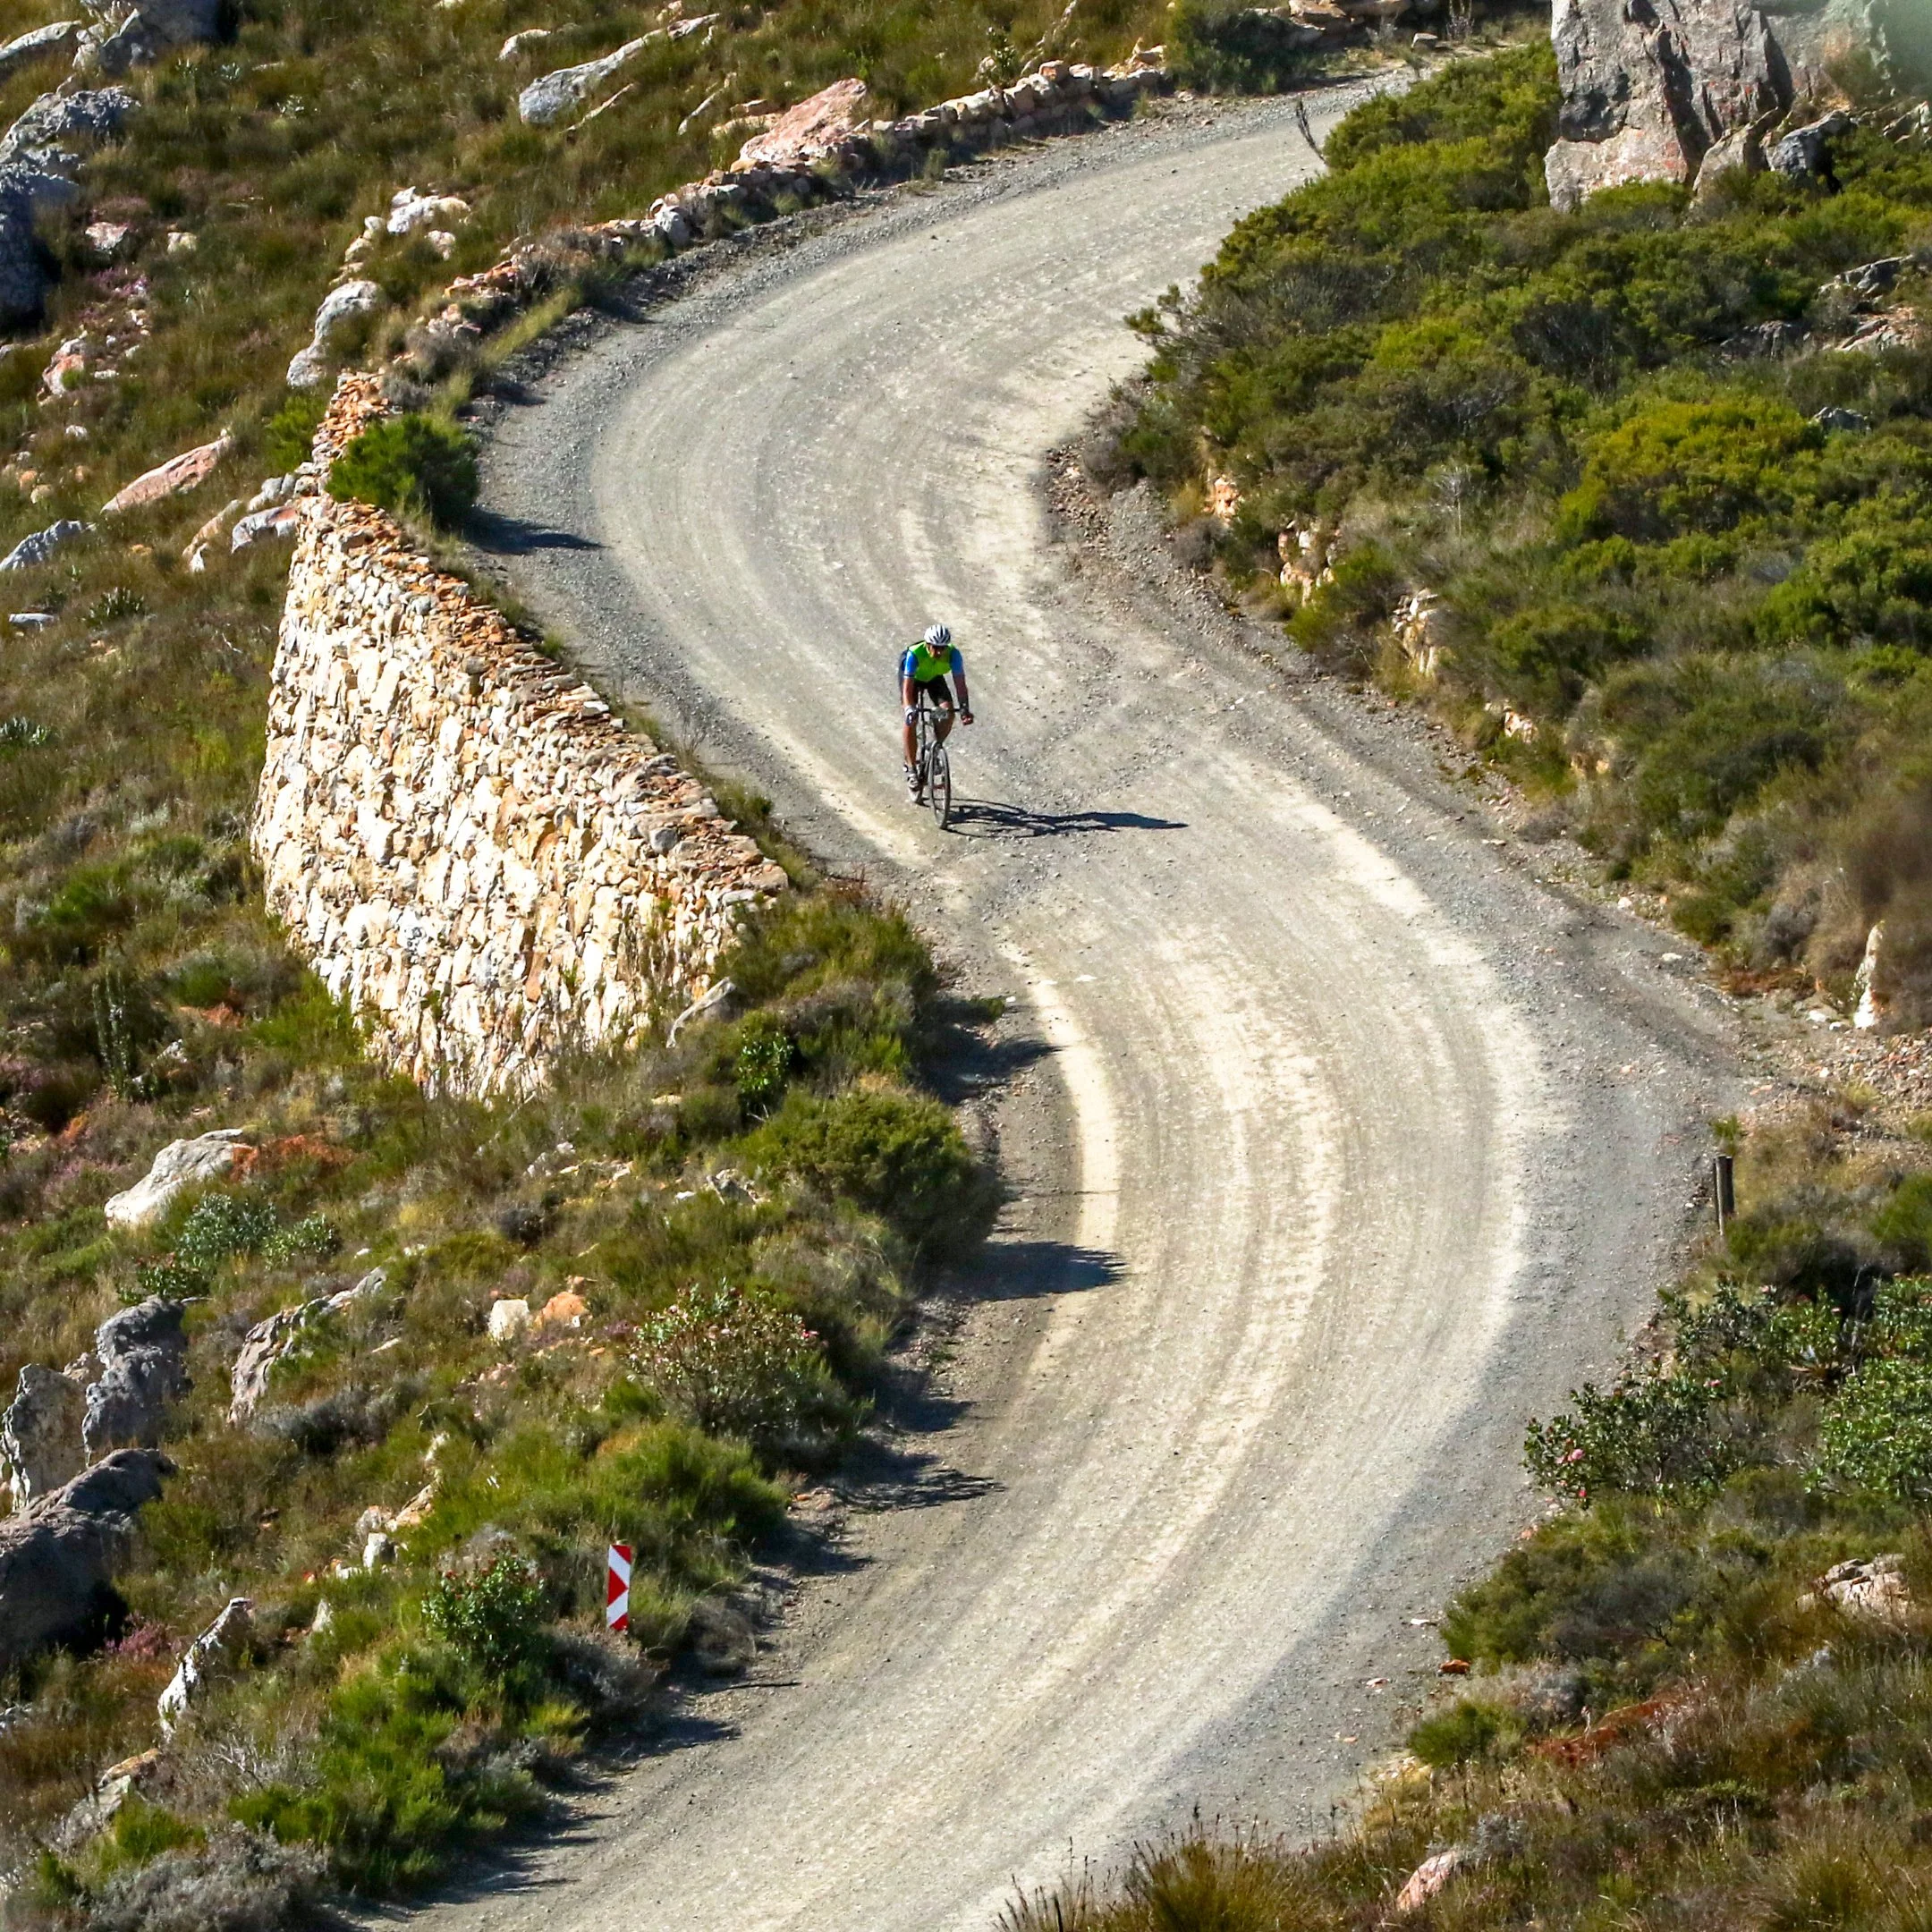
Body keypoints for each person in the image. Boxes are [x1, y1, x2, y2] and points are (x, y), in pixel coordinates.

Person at [901, 622, 972, 799]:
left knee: (948, 713)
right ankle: (911, 769)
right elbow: (907, 689)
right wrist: (910, 709)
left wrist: (964, 708)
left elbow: (960, 684)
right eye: (935, 648)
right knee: (912, 719)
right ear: (927, 645)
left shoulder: (953, 655)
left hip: (933, 678)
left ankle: (935, 748)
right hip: (914, 680)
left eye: (942, 648)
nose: (939, 653)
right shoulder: (914, 655)